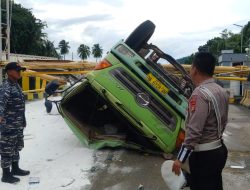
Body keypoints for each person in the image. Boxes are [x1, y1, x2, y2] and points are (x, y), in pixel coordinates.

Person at [172, 52, 229, 190]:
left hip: (204, 155)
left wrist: (180, 159)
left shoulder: (199, 94)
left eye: (191, 67)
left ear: (195, 69)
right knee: (215, 185)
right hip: (219, 149)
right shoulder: (221, 90)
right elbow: (224, 120)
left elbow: (194, 131)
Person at [0, 62, 30, 184]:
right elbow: (0, 104)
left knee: (16, 146)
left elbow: (20, 105)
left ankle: (15, 168)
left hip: (17, 124)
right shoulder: (6, 87)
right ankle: (6, 174)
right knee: (7, 148)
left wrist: (23, 119)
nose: (19, 72)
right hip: (8, 125)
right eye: (17, 70)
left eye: (20, 70)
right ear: (9, 72)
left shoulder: (16, 85)